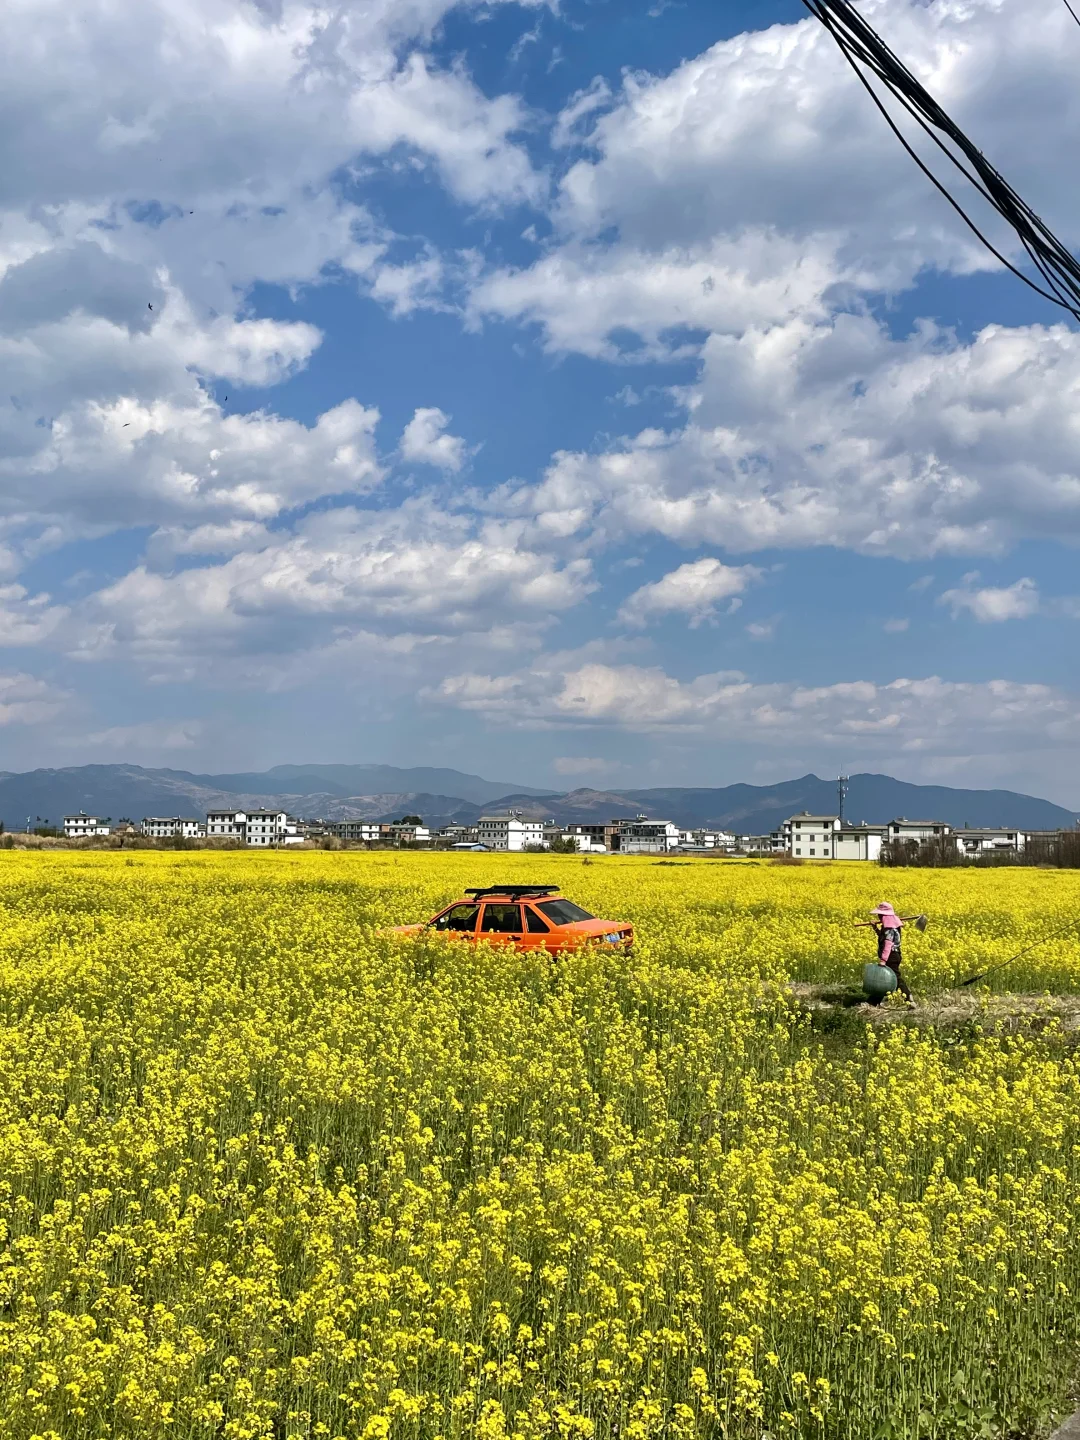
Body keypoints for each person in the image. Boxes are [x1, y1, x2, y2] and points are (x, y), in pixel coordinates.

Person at [867, 901, 915, 1007]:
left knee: (894, 978)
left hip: (891, 956)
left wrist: (883, 960)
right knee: (885, 978)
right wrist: (875, 928)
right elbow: (883, 937)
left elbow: (888, 943)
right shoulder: (892, 926)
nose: (879, 917)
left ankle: (908, 998)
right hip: (894, 955)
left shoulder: (889, 928)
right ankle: (873, 1001)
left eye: (880, 915)